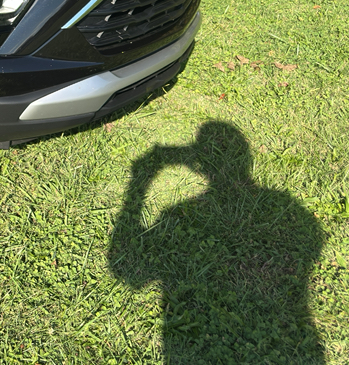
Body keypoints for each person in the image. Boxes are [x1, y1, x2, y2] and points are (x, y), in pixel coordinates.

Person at [109, 121, 326, 363]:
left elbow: (127, 273)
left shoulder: (176, 213)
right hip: (294, 346)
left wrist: (139, 182)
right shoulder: (291, 209)